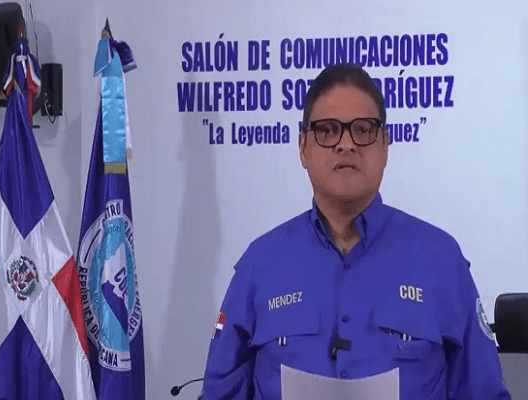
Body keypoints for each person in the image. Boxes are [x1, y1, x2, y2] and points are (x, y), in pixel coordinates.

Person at [199, 63, 511, 400]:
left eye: (363, 129)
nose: (346, 144)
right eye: (328, 130)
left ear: (385, 146)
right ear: (303, 148)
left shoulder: (441, 260)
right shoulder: (260, 264)